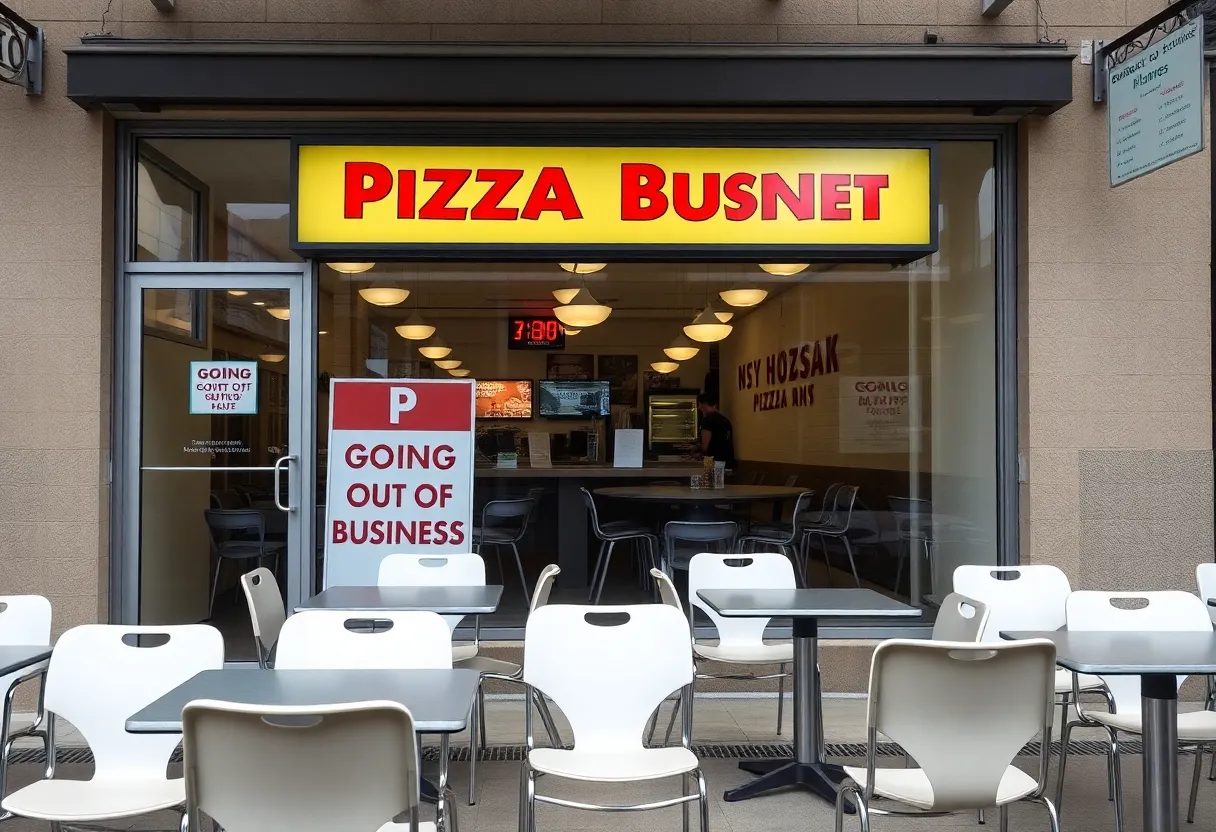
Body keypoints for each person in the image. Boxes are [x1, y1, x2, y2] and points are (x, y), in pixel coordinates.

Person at [697, 393, 735, 467]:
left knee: (711, 478)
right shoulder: (725, 420)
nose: (699, 408)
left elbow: (705, 446)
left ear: (704, 405)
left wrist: (695, 449)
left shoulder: (707, 420)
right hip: (728, 461)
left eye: (700, 405)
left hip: (712, 461)